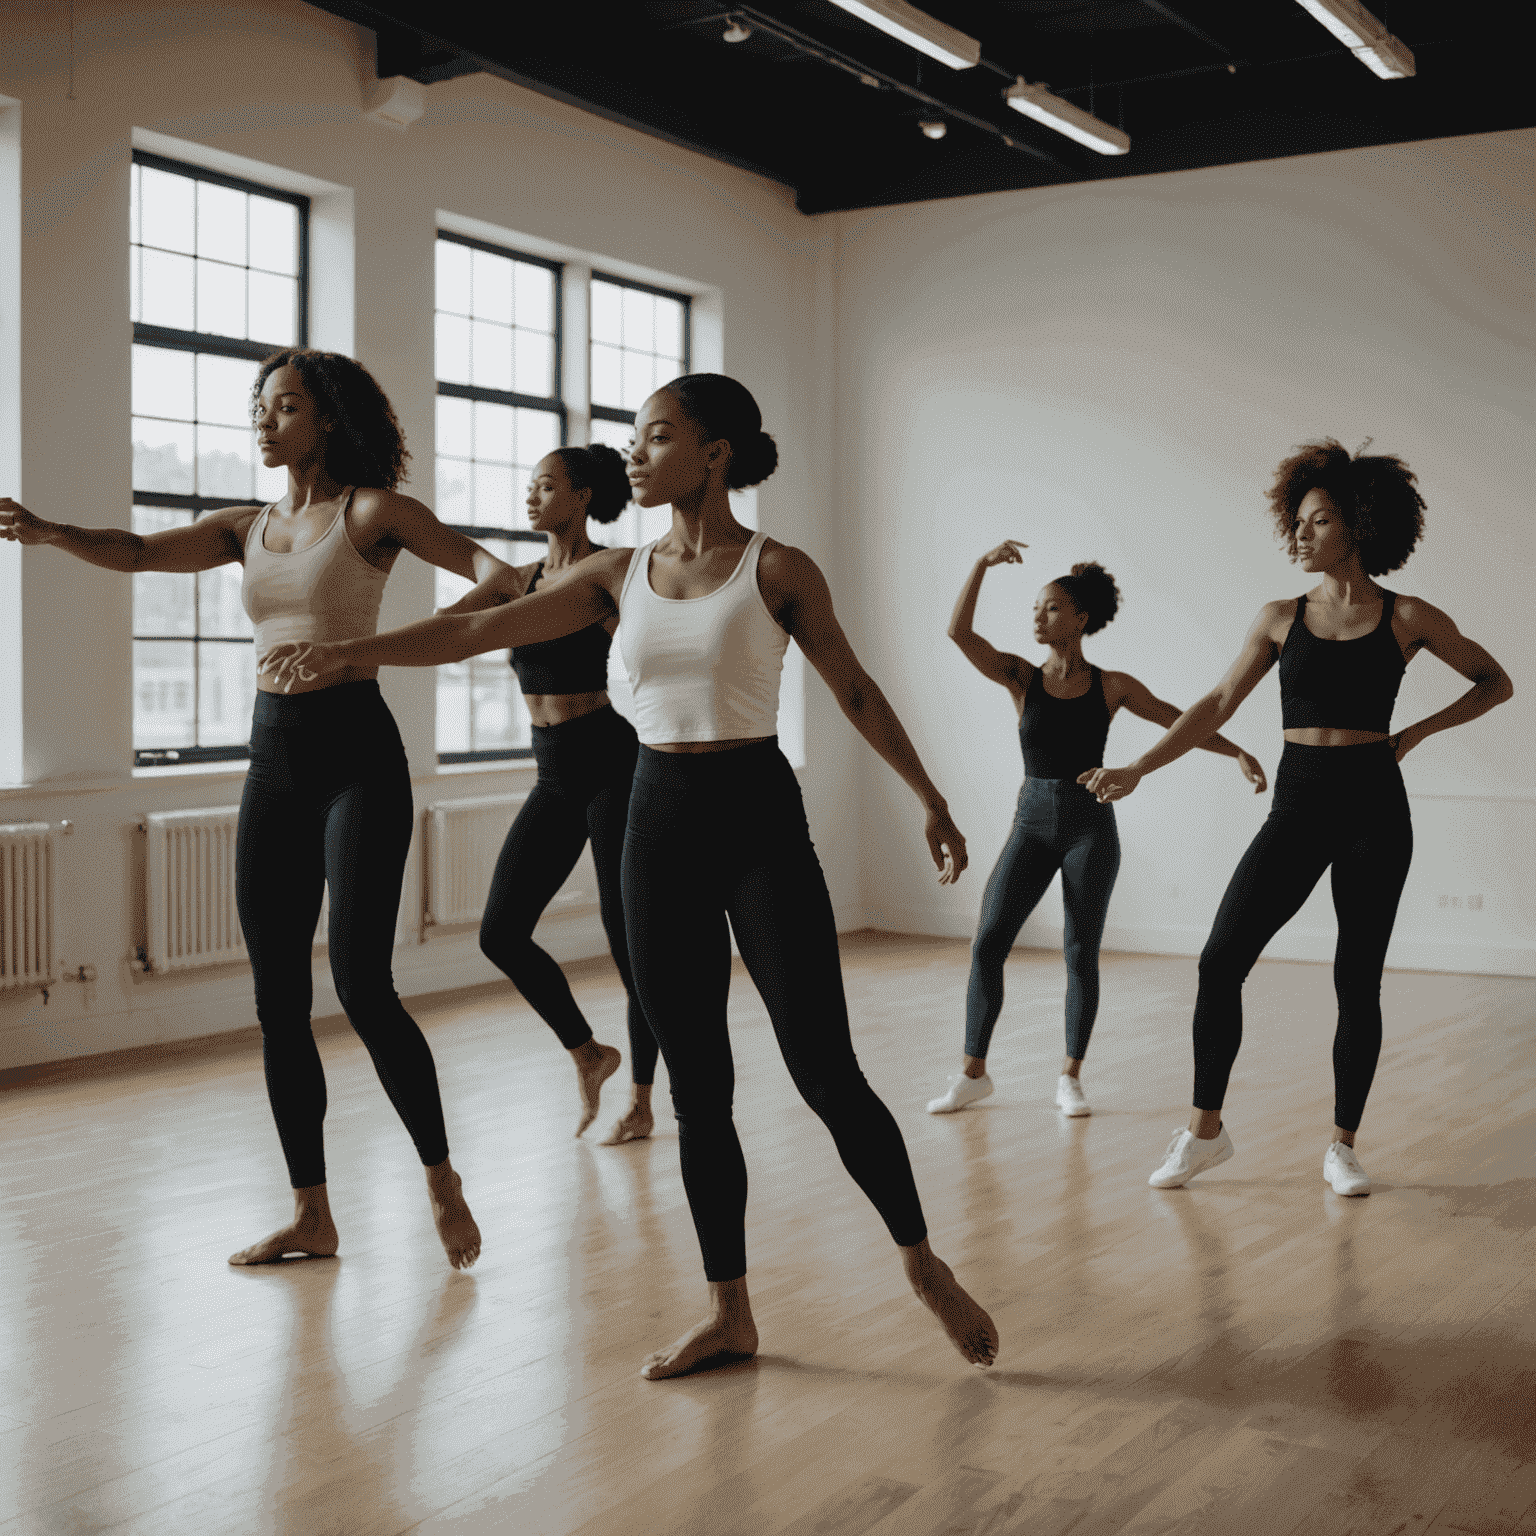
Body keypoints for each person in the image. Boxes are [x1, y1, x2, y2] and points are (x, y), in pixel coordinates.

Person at [257, 373, 999, 1378]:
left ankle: (921, 1261)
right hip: (657, 826)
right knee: (699, 1091)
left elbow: (854, 685)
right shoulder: (614, 573)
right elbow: (480, 628)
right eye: (634, 439)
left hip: (758, 825)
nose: (635, 455)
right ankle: (730, 1313)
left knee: (825, 1071)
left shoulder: (777, 569)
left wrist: (931, 798)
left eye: (657, 438)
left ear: (716, 454)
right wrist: (354, 652)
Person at [2, 347, 500, 1268]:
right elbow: (141, 552)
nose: (265, 422)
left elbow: (494, 577)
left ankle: (440, 1175)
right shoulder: (249, 525)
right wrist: (47, 531)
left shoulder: (372, 513)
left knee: (360, 983)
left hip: (359, 760)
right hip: (273, 763)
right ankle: (312, 1212)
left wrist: (368, 651)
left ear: (330, 420)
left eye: (285, 407)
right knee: (278, 1001)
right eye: (260, 407)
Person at [1078, 441, 1513, 1195]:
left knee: (1358, 978)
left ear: (1357, 524)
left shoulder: (1407, 616)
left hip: (1376, 807)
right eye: (1298, 523)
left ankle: (1343, 1145)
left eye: (1317, 522)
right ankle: (1206, 1132)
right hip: (1300, 804)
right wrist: (1138, 769)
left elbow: (1493, 681)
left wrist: (1413, 735)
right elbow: (1215, 703)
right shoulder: (1280, 618)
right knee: (1220, 961)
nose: (1300, 536)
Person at [930, 541, 1264, 1119]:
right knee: (987, 942)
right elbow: (959, 634)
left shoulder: (1112, 686)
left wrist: (1233, 749)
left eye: (1052, 607)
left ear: (1081, 618)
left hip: (1091, 831)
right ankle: (973, 1073)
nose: (1039, 616)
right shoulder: (1019, 676)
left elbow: (1175, 719)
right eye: (1035, 608)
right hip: (1031, 826)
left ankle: (1070, 1076)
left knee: (1080, 952)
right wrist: (979, 566)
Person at [439, 444, 658, 1142]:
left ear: (584, 495)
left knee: (631, 945)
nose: (531, 496)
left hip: (610, 761)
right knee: (500, 932)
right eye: (529, 485)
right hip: (553, 770)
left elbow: (653, 651)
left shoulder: (606, 574)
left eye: (547, 486)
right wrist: (353, 649)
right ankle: (588, 1052)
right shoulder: (518, 580)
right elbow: (450, 627)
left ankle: (644, 1099)